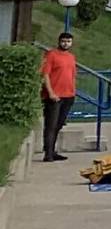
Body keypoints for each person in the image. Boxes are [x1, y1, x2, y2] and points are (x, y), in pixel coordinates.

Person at [38, 31, 76, 161]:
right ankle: (48, 153)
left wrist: (73, 91)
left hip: (68, 95)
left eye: (68, 41)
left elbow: (72, 75)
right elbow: (45, 74)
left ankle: (52, 150)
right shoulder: (51, 55)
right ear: (59, 41)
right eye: (63, 41)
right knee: (51, 125)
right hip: (54, 96)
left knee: (59, 124)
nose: (66, 44)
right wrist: (50, 92)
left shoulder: (71, 57)